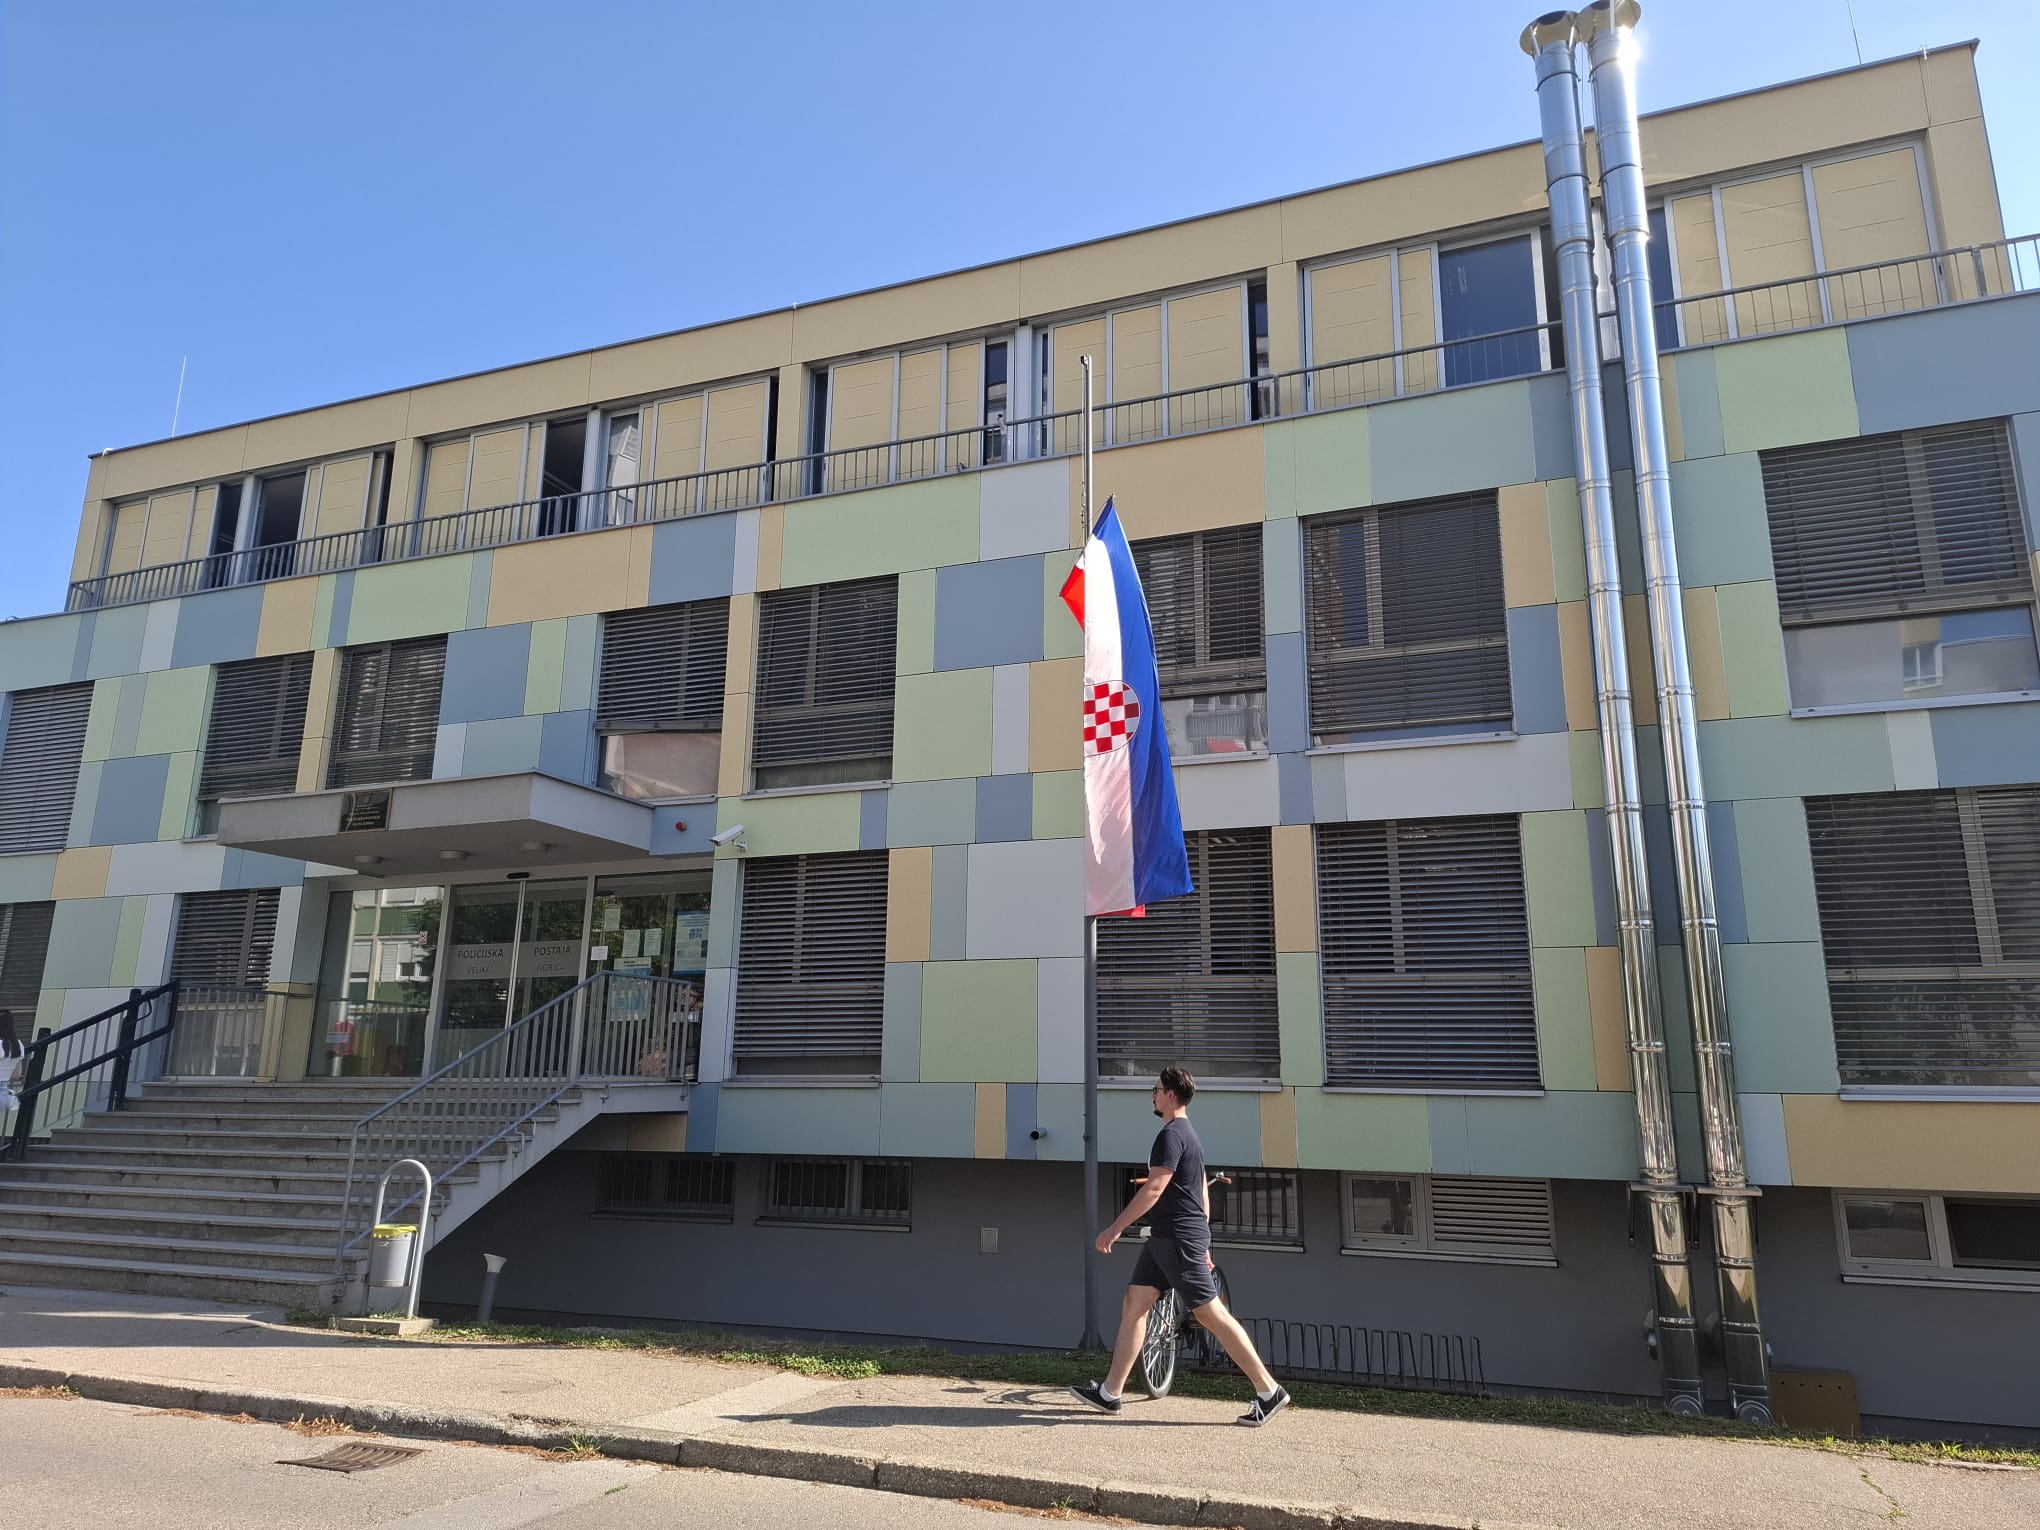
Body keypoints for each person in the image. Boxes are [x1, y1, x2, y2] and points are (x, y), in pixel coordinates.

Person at [1071, 1065, 1291, 1426]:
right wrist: (1204, 1239)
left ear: (1170, 1094)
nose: (1153, 1095)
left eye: (1156, 1090)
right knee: (1135, 1303)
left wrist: (1115, 1228)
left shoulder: (1171, 1135)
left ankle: (1269, 1391)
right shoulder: (1188, 1135)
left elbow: (1155, 1187)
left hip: (1176, 1238)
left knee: (1210, 1314)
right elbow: (1200, 1188)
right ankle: (1110, 1393)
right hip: (1168, 1238)